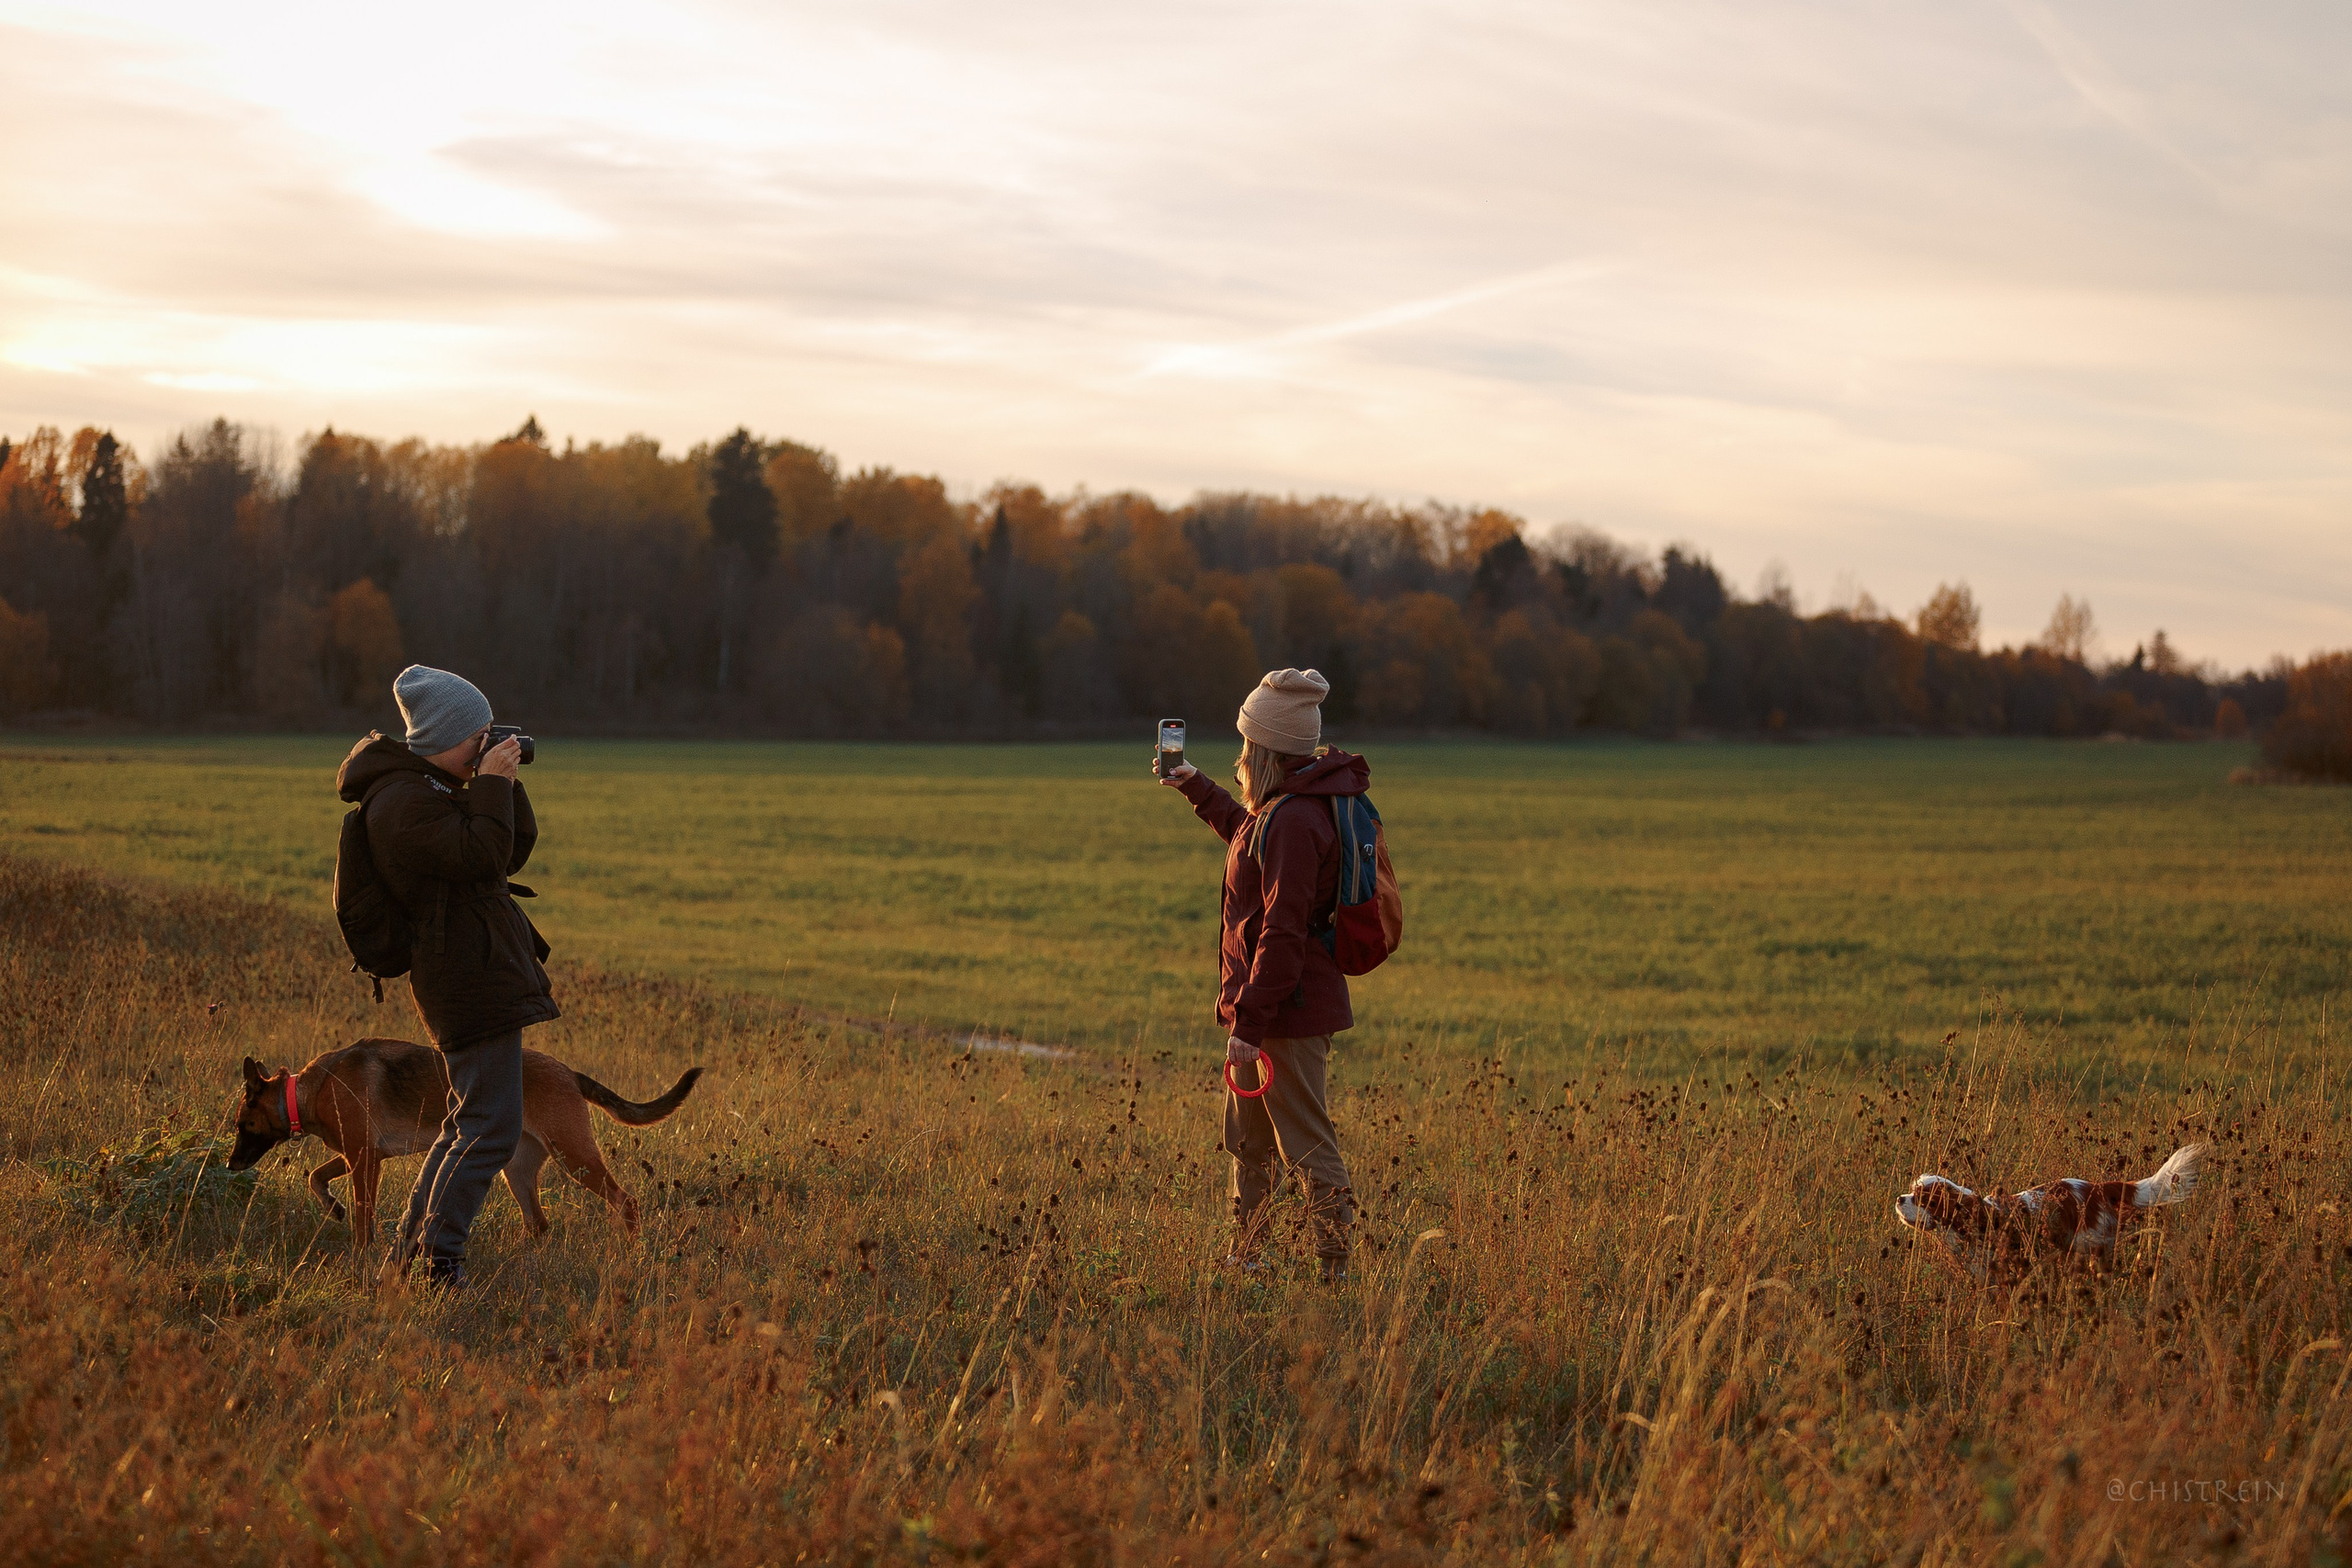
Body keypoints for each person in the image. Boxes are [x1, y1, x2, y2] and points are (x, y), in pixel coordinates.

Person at [334, 665, 558, 1288]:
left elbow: (508, 850)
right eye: (478, 735)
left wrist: (499, 783)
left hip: (476, 972)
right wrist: (488, 782)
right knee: (491, 1127)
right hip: (463, 981)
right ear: (442, 737)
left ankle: (411, 1254)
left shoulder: (431, 788)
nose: (488, 745)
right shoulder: (403, 804)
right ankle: (438, 1261)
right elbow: (480, 853)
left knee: (470, 1122)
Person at [1159, 668, 1365, 1282]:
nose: (1240, 757)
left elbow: (1281, 931)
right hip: (1265, 1009)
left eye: (1247, 745)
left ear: (1267, 750)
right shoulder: (1281, 811)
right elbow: (1246, 835)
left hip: (1286, 1013)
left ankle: (1334, 1270)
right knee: (1249, 1141)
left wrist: (1250, 1022)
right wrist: (1197, 787)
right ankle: (1247, 1254)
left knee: (1305, 1142)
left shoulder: (1298, 821)